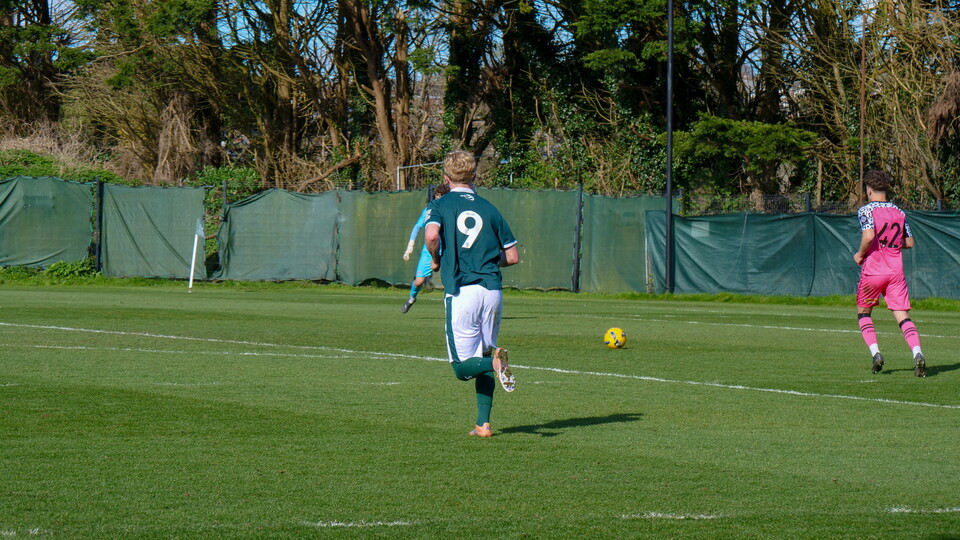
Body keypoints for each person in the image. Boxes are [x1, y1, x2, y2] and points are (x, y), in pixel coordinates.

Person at [424, 150, 520, 437]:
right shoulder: (490, 208)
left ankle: (493, 363)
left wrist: (437, 258)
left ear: (445, 177)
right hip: (492, 291)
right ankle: (483, 424)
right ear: (474, 176)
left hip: (462, 290)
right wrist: (490, 262)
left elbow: (431, 236)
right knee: (485, 351)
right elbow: (512, 256)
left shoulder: (439, 204)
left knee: (460, 368)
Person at [853, 169, 926, 377]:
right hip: (896, 271)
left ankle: (876, 354)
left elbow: (868, 236)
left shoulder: (866, 210)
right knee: (902, 316)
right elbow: (910, 242)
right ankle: (917, 353)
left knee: (863, 313)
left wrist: (859, 254)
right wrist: (891, 243)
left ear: (869, 190)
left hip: (874, 271)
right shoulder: (899, 212)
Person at [401, 183, 450, 313]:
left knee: (451, 280)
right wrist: (410, 245)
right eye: (437, 197)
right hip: (430, 250)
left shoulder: (452, 209)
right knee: (419, 281)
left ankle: (454, 307)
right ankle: (411, 299)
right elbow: (418, 226)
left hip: (448, 250)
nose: (438, 199)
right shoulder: (430, 209)